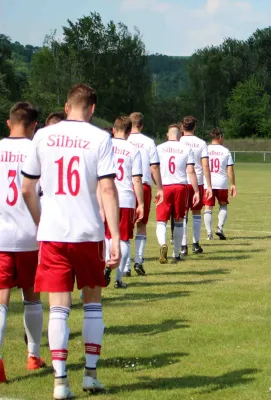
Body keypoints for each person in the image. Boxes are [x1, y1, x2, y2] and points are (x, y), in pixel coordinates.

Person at [21, 84, 121, 398]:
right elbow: (106, 189)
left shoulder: (42, 136)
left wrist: (41, 222)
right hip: (88, 232)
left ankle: (61, 382)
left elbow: (26, 188)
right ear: (92, 109)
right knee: (92, 305)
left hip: (53, 233)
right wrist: (115, 235)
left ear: (66, 106)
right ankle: (90, 375)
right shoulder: (100, 138)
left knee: (58, 310)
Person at [0, 102, 45, 383]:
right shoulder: (37, 150)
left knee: (1, 300)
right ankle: (33, 355)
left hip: (1, 236)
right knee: (32, 296)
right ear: (34, 125)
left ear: (9, 122)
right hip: (31, 235)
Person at [102, 116, 144, 289]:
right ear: (129, 132)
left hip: (107, 196)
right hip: (126, 198)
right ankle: (119, 278)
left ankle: (104, 267)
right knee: (124, 239)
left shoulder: (106, 146)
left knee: (106, 236)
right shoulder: (133, 149)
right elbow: (137, 180)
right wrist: (140, 203)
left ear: (113, 129)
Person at [155, 125, 199, 264]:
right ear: (180, 135)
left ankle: (162, 243)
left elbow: (154, 168)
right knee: (179, 220)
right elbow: (191, 171)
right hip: (180, 186)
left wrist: (157, 185)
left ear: (168, 134)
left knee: (161, 220)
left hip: (165, 187)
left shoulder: (159, 148)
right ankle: (176, 254)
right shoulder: (186, 149)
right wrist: (196, 190)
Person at [127, 112, 164, 276]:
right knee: (141, 225)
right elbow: (154, 167)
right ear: (141, 125)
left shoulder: (123, 140)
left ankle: (125, 266)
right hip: (143, 186)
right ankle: (139, 261)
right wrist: (161, 187)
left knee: (125, 227)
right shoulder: (149, 142)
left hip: (124, 186)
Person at [179, 116, 213, 255]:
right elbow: (205, 165)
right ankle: (195, 243)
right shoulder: (201, 143)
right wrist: (209, 185)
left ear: (182, 127)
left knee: (183, 214)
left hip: (181, 181)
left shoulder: (178, 141)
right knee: (196, 212)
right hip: (197, 181)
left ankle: (182, 246)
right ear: (195, 127)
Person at [204, 128, 236, 240]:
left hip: (208, 183)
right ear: (220, 137)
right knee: (223, 205)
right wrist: (233, 184)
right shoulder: (225, 151)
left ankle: (209, 233)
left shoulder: (205, 149)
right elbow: (230, 169)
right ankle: (220, 228)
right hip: (221, 182)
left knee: (208, 208)